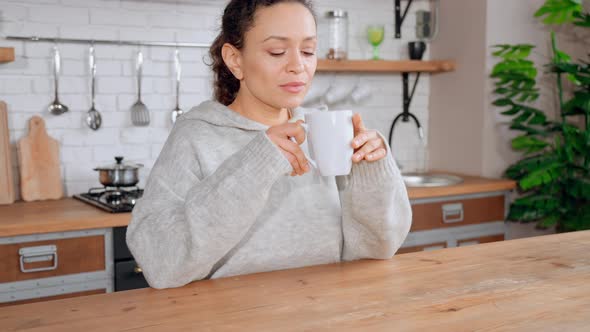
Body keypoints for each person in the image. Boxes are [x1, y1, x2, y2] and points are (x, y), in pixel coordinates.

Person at [126, 0, 412, 289]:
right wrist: (257, 164)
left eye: (308, 51)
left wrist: (372, 171)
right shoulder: (196, 137)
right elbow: (160, 264)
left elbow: (375, 250)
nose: (298, 66)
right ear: (235, 60)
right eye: (277, 51)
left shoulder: (323, 135)